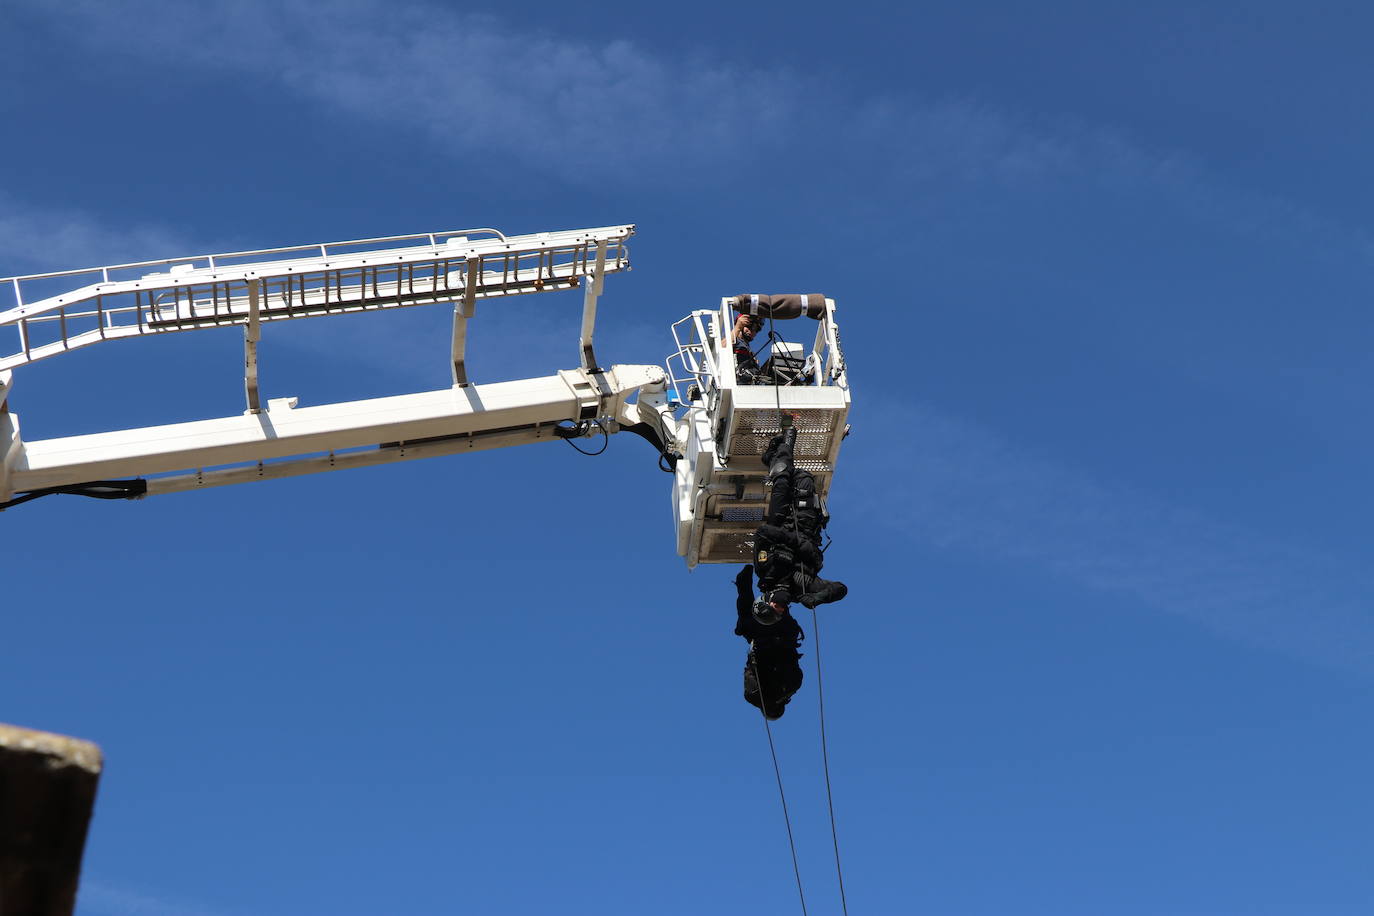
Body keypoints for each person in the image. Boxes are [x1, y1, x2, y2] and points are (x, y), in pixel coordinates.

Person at [731, 423, 847, 719]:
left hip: (784, 526)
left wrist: (743, 586)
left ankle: (780, 449)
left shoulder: (766, 575)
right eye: (780, 608)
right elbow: (841, 589)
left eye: (773, 606)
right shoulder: (802, 586)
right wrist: (817, 598)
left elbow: (763, 536)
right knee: (805, 481)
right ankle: (777, 452)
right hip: (803, 530)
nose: (778, 606)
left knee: (784, 480)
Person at [734, 563, 805, 719]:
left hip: (783, 635)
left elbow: (796, 667)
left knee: (776, 598)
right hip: (764, 640)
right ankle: (748, 577)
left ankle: (772, 566)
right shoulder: (754, 697)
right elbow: (749, 674)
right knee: (747, 614)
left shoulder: (792, 687)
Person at [730, 312, 764, 384]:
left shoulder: (750, 352)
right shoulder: (734, 340)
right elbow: (723, 347)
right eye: (749, 326)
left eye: (756, 330)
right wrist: (738, 327)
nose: (752, 331)